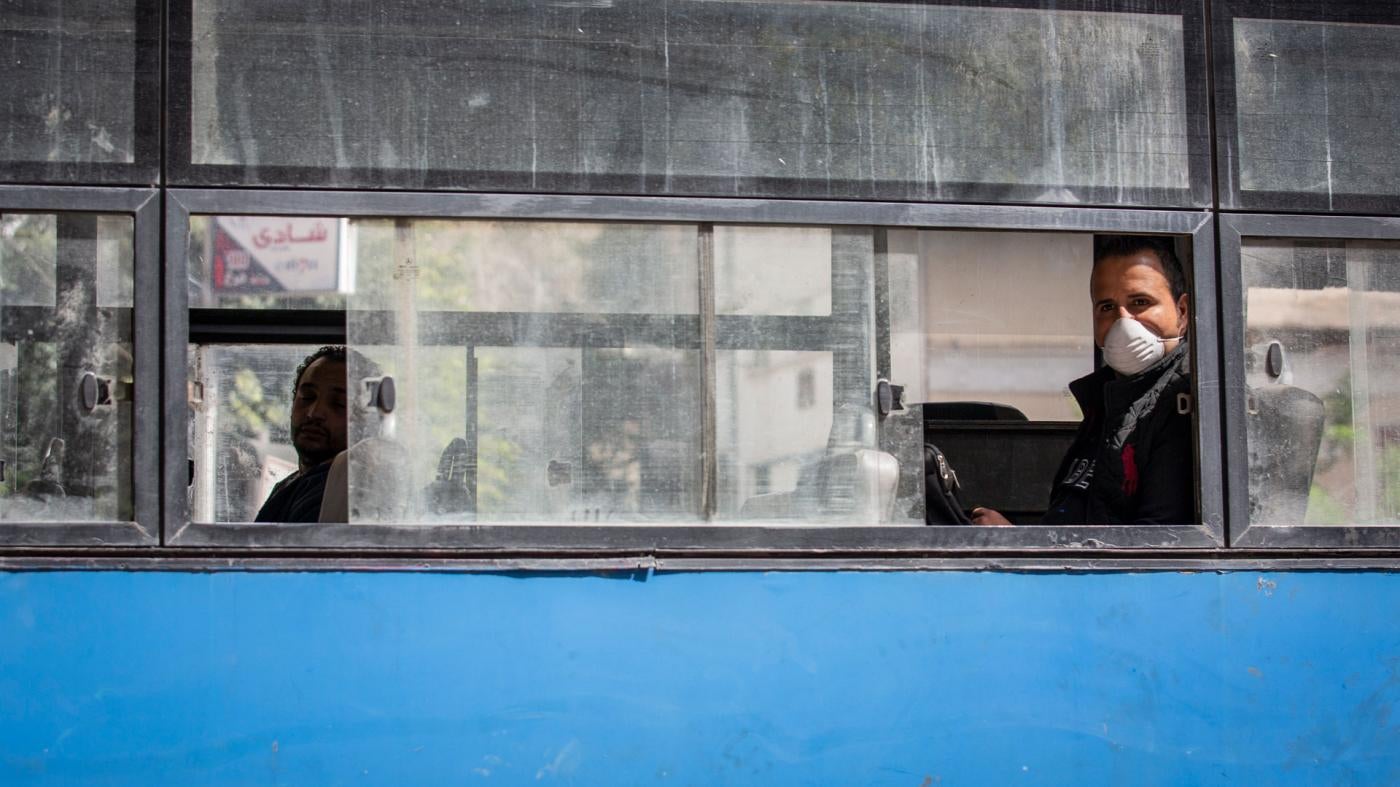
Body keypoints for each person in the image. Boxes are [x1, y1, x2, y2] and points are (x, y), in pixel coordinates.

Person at [971, 236, 1193, 526]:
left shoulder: (1186, 402)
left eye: (1140, 302)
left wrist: (1025, 549)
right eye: (1107, 308)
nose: (1123, 322)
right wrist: (1018, 538)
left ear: (1182, 312)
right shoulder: (1107, 402)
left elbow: (1160, 549)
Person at [255, 345, 348, 522]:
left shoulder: (345, 493)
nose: (314, 413)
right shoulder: (290, 485)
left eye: (339, 404)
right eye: (307, 397)